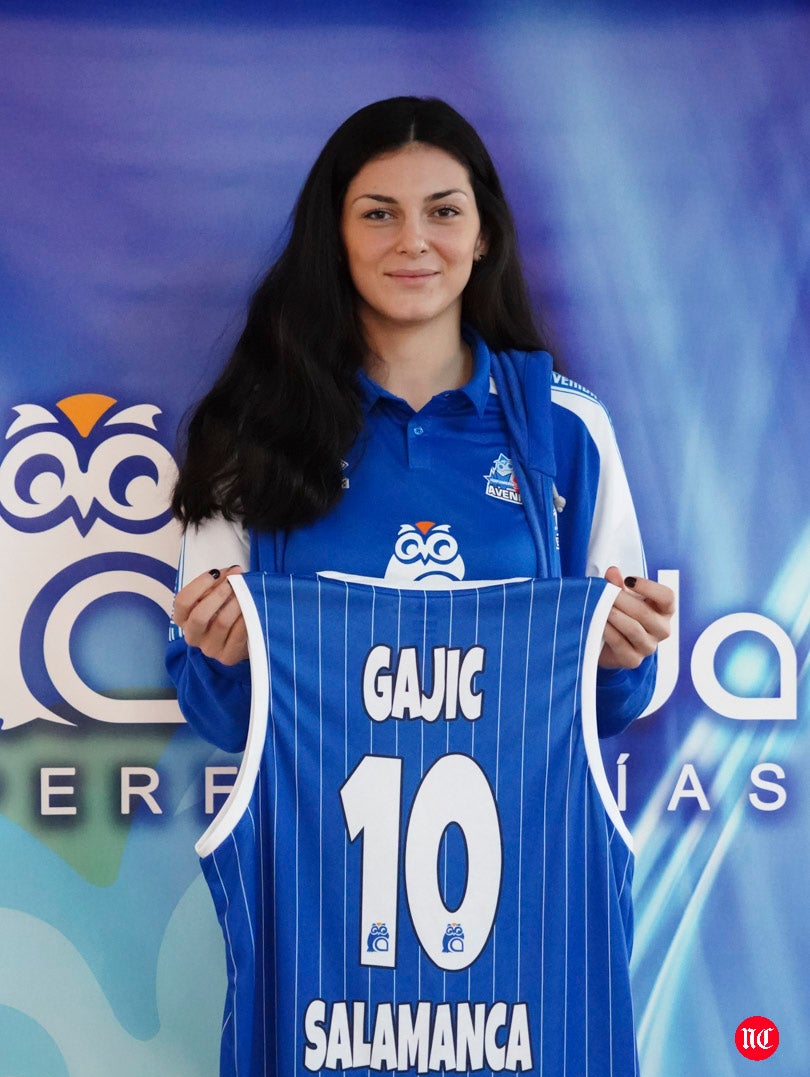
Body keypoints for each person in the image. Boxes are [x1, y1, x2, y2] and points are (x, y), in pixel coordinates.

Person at [166, 95, 674, 752]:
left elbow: (607, 709)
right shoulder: (253, 425)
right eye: (379, 214)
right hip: (317, 850)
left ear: (482, 234)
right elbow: (223, 720)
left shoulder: (567, 424)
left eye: (444, 211)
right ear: (336, 233)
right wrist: (224, 660)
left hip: (517, 847)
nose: (413, 240)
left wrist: (621, 658)